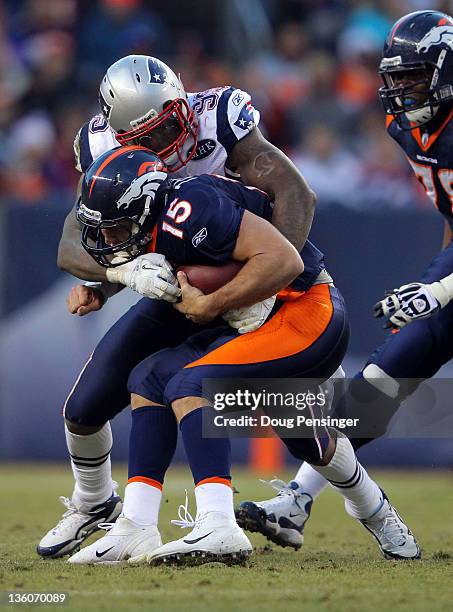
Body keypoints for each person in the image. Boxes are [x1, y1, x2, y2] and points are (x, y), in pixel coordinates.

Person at [64, 146, 418, 564]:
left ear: (142, 207)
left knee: (191, 384)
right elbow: (83, 252)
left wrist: (212, 305)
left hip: (304, 309)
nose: (107, 240)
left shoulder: (193, 207)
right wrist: (108, 281)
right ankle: (136, 526)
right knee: (150, 378)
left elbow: (284, 259)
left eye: (115, 229)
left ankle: (218, 524)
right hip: (245, 318)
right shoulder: (152, 218)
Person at [37, 54, 319, 558]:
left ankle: (231, 517)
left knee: (251, 403)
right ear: (118, 132)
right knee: (84, 407)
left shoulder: (218, 117)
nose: (166, 139)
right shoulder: (97, 144)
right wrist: (116, 275)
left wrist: (264, 285)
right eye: (149, 133)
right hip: (172, 287)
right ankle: (94, 503)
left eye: (170, 120)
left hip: (238, 283)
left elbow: (295, 193)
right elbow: (74, 243)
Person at [236, 9, 453, 550]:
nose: (400, 90)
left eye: (413, 76)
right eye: (395, 77)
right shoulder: (407, 125)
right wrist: (437, 280)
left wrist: (438, 289)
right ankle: (298, 500)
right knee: (381, 380)